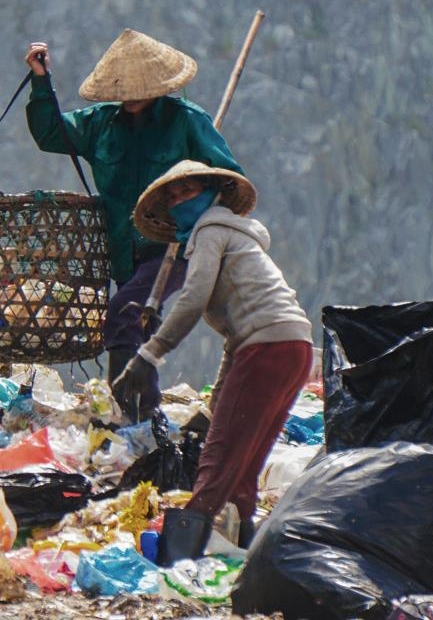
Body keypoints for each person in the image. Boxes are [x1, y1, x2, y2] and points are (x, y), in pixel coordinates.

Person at [24, 29, 243, 422]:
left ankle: (125, 416)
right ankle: (145, 420)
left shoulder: (187, 122)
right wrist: (42, 81)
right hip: (125, 250)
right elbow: (50, 133)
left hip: (177, 245)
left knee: (125, 311)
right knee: (141, 320)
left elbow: (227, 178)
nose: (130, 96)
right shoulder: (101, 124)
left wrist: (194, 214)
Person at [112, 159, 313, 565]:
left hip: (268, 348)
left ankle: (178, 561)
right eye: (172, 196)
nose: (179, 200)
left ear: (213, 193)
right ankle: (247, 559)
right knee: (246, 462)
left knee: (218, 457)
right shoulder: (234, 238)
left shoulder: (210, 230)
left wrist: (148, 355)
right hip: (294, 346)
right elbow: (235, 337)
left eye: (188, 191)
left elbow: (192, 298)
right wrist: (215, 402)